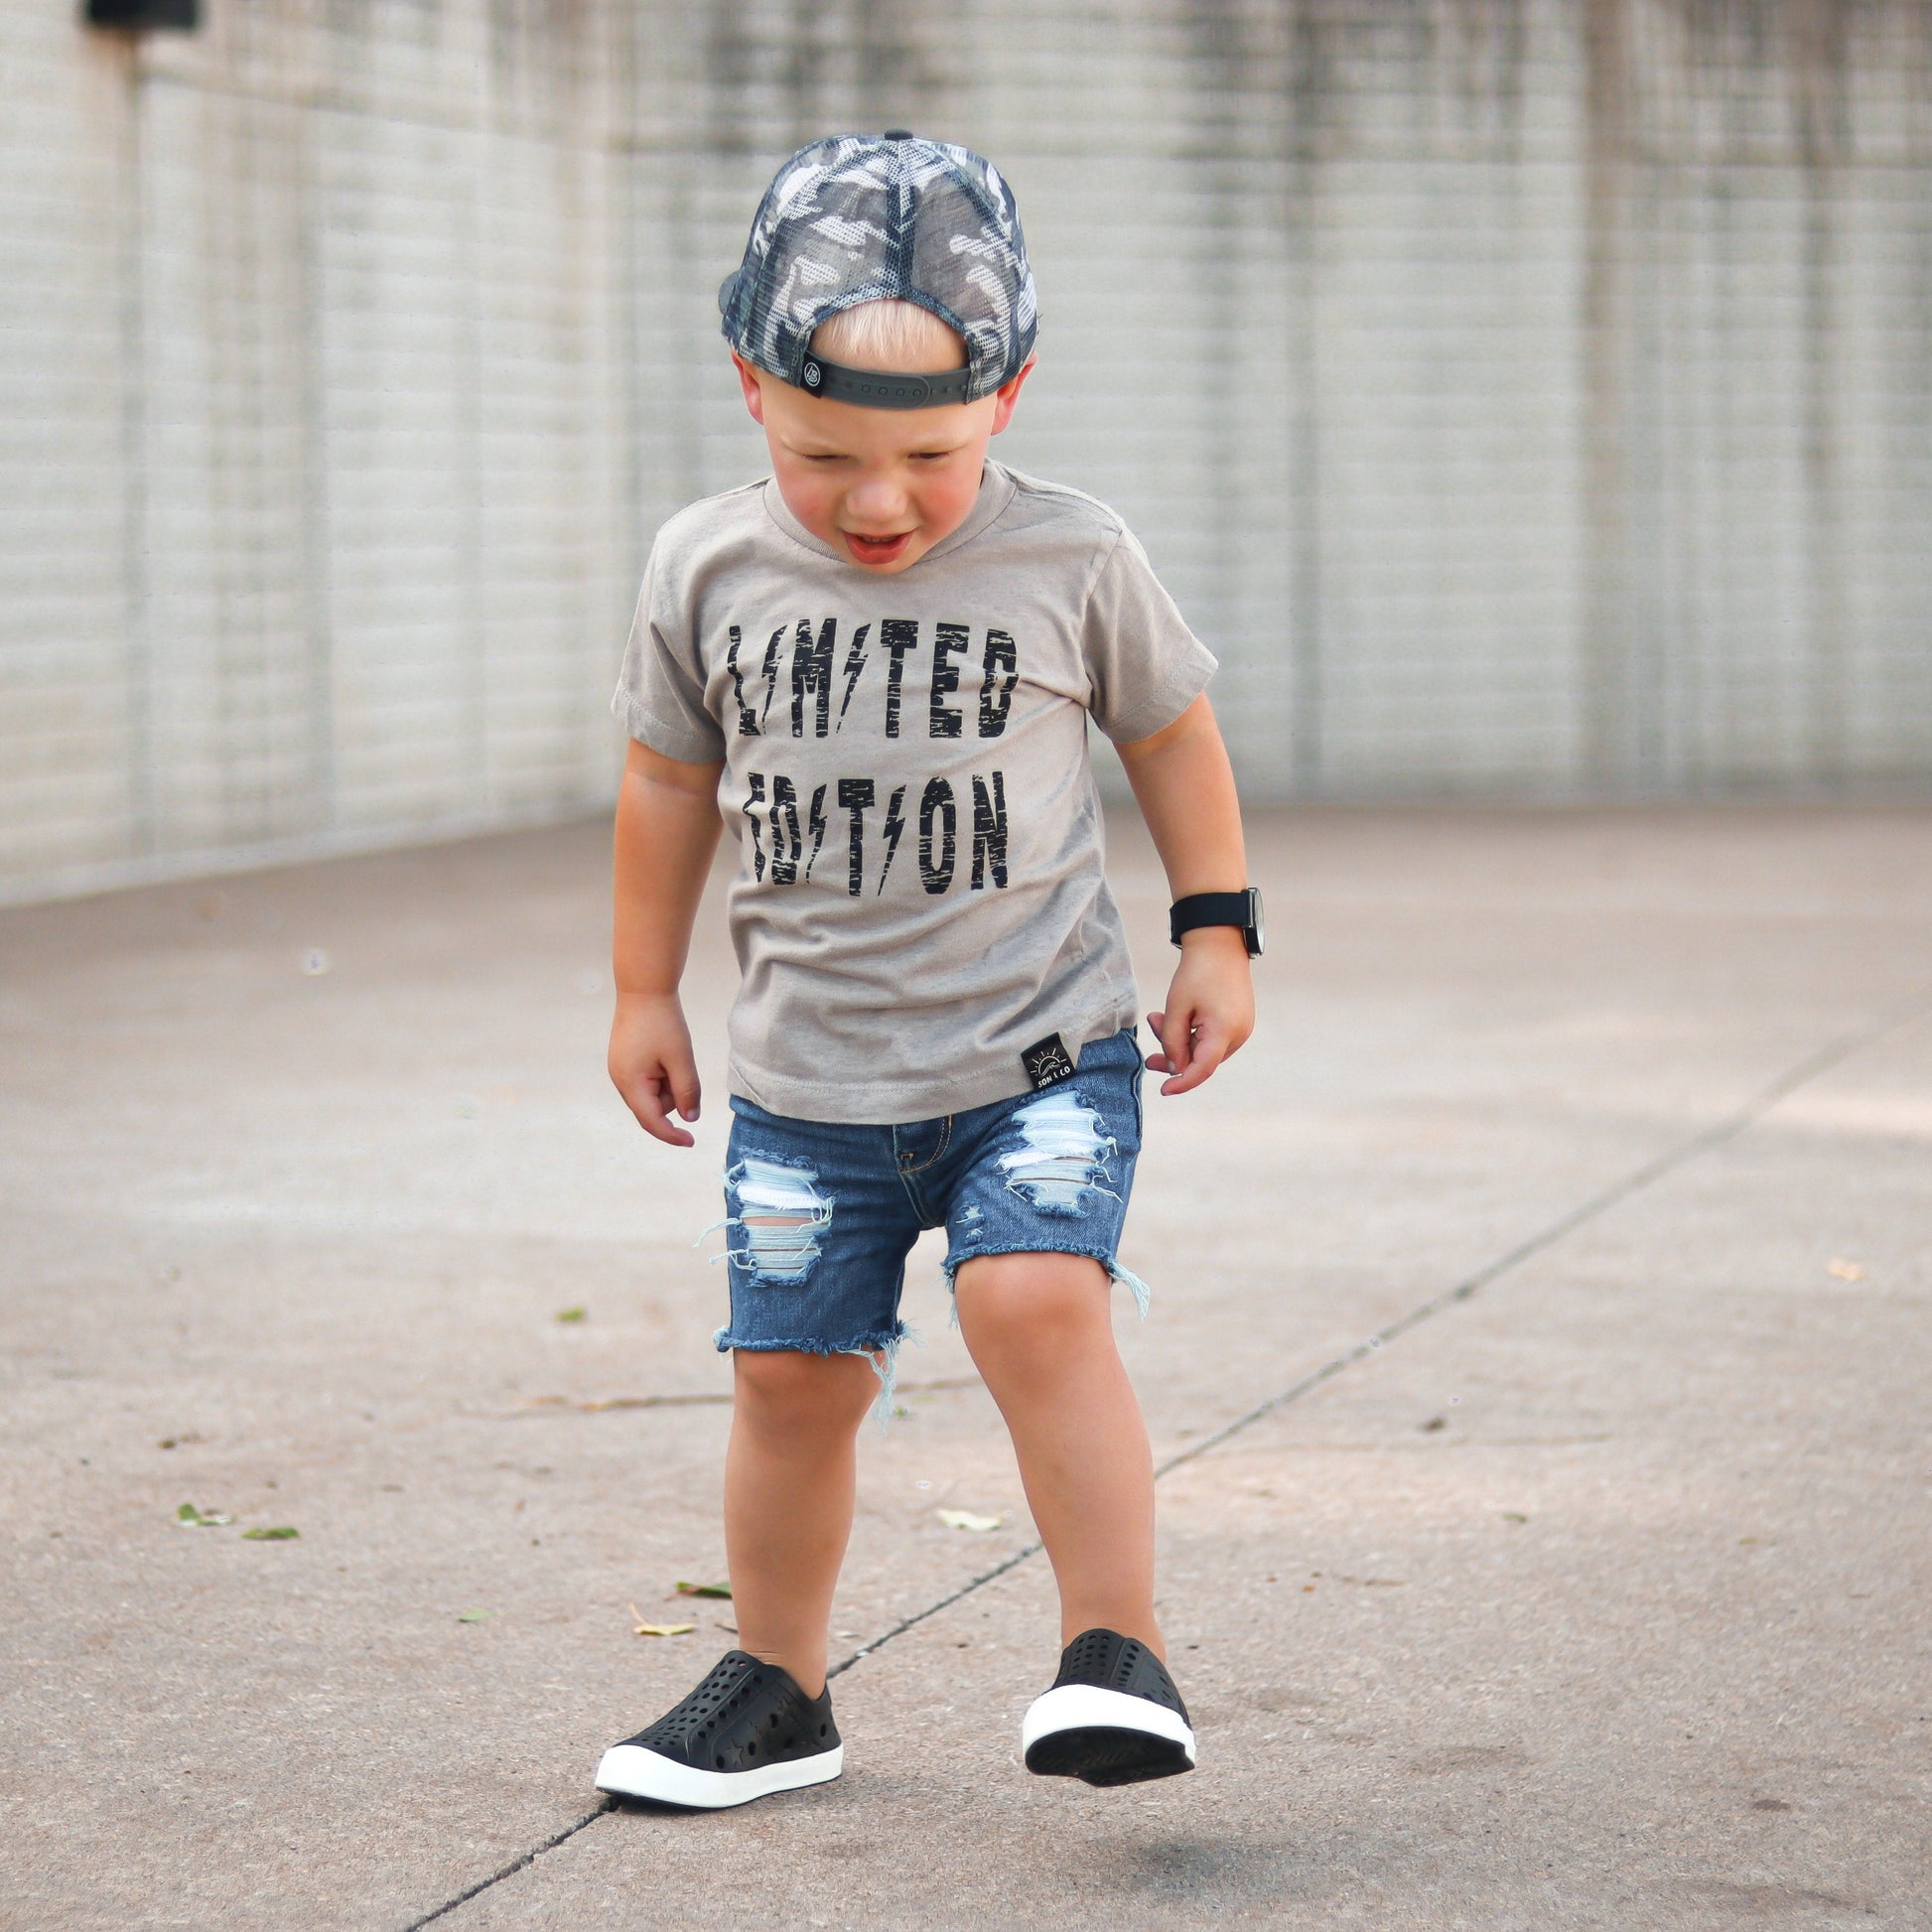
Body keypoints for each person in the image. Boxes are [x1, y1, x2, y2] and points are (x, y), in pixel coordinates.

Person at [594, 131, 1261, 1811]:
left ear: (1006, 401)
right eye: (824, 455)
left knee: (1030, 1297)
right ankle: (780, 1685)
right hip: (804, 1082)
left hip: (1036, 1053)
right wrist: (639, 990)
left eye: (932, 458)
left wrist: (1214, 928)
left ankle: (1116, 1651)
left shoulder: (1071, 555)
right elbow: (665, 781)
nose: (878, 502)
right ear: (749, 389)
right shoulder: (704, 565)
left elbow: (1172, 732)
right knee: (788, 1379)